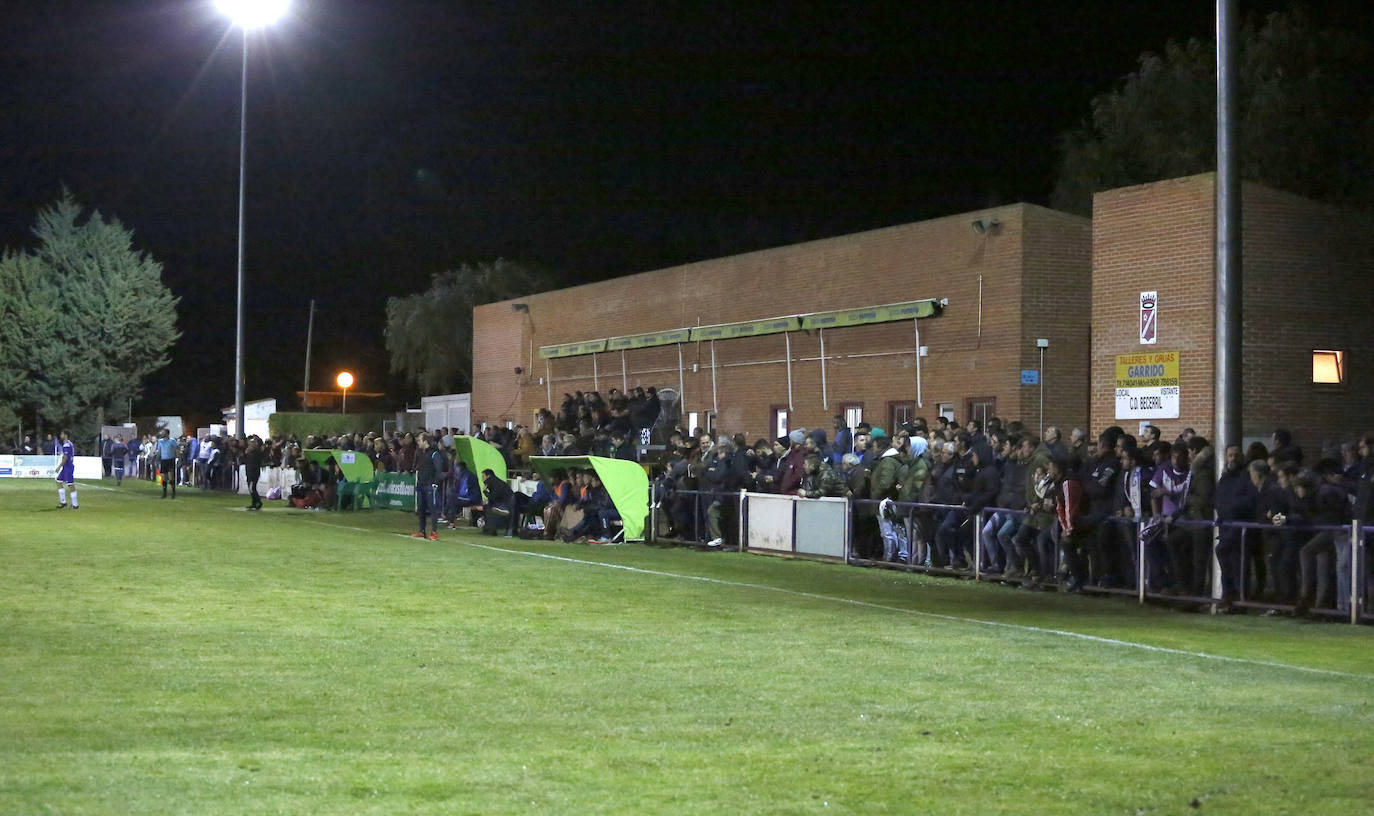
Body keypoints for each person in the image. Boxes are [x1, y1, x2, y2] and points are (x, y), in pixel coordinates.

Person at [413, 433, 446, 540]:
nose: (418, 442)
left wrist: (435, 483)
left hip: (430, 485)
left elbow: (438, 469)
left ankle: (434, 532)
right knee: (421, 509)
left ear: (425, 441)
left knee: (432, 509)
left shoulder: (434, 454)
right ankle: (422, 531)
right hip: (421, 484)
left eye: (419, 440)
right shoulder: (421, 453)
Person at [55, 430, 78, 509]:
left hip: (68, 467)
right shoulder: (68, 443)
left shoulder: (67, 445)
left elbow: (65, 457)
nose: (61, 435)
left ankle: (75, 504)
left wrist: (59, 466)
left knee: (70, 484)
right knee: (58, 482)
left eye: (62, 434)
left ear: (66, 435)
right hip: (66, 467)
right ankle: (63, 502)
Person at [243, 436, 265, 510]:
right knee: (251, 488)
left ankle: (258, 502)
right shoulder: (251, 453)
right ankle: (254, 503)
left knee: (252, 488)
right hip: (250, 472)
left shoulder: (256, 453)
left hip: (253, 473)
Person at [157, 429, 178, 499]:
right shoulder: (160, 441)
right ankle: (164, 493)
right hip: (163, 460)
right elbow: (159, 451)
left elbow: (176, 450)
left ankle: (173, 492)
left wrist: (178, 458)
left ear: (167, 433)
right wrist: (157, 459)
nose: (162, 433)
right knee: (164, 477)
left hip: (170, 460)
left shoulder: (172, 441)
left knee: (171, 477)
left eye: (163, 432)